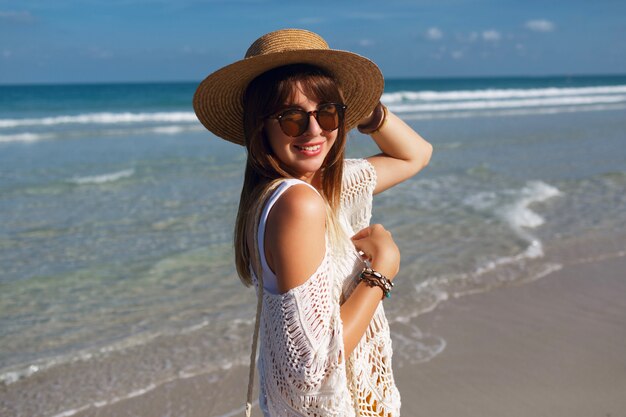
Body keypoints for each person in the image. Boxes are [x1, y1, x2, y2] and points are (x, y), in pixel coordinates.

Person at [193, 29, 432, 417]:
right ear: (261, 126)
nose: (315, 130)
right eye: (292, 118)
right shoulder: (297, 202)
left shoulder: (323, 188)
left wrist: (364, 110)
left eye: (327, 113)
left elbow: (416, 155)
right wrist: (383, 272)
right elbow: (315, 369)